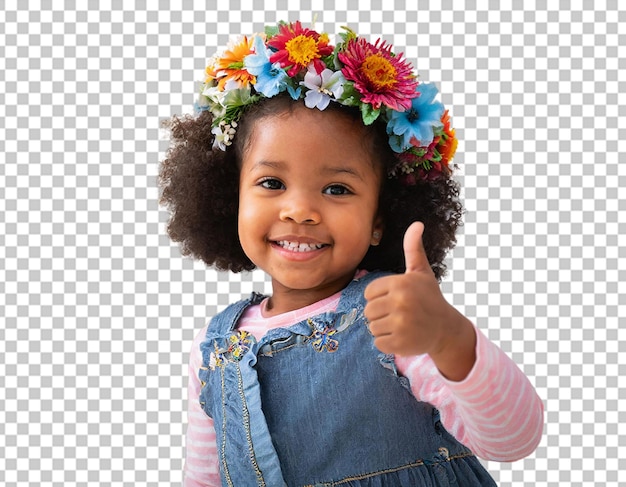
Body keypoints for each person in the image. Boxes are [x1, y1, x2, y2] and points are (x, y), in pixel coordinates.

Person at [159, 21, 544, 487]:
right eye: (271, 183)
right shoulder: (217, 347)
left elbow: (513, 441)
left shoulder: (394, 318)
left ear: (381, 217)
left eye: (337, 188)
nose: (299, 210)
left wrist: (448, 336)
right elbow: (206, 477)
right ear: (228, 196)